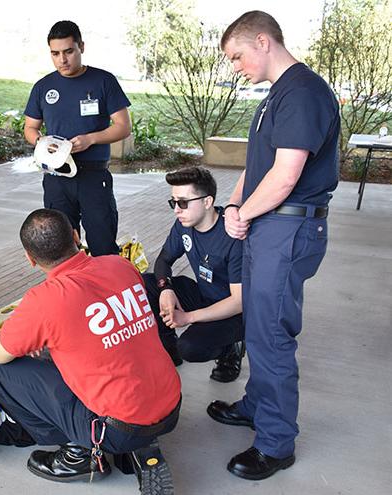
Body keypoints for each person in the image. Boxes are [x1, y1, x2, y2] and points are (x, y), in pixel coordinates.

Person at [207, 11, 340, 480]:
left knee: (272, 337)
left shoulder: (303, 92)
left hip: (288, 230)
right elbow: (259, 167)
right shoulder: (276, 96)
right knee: (258, 325)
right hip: (269, 225)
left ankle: (276, 443)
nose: (236, 66)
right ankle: (257, 404)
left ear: (263, 42)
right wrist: (234, 205)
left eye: (237, 56)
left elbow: (285, 177)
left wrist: (244, 214)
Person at [0, 208, 181, 494]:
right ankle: (136, 444)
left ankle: (79, 452)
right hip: (171, 404)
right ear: (76, 236)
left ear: (29, 258)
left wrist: (27, 336)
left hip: (116, 426)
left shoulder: (44, 300)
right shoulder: (120, 265)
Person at [24, 20, 131, 256]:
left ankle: (104, 290)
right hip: (56, 177)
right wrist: (42, 143)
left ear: (81, 46)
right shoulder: (43, 87)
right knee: (60, 249)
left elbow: (123, 127)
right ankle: (71, 292)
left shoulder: (103, 81)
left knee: (103, 244)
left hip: (93, 176)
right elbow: (30, 128)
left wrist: (91, 139)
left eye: (68, 51)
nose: (62, 60)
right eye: (55, 53)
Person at [143, 166, 245, 382]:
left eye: (182, 203)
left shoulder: (232, 235)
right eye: (173, 202)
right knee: (144, 284)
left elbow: (239, 302)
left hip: (235, 313)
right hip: (204, 295)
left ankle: (230, 349)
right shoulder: (184, 224)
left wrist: (188, 317)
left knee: (190, 348)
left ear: (207, 202)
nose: (176, 210)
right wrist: (166, 289)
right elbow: (163, 260)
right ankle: (168, 346)